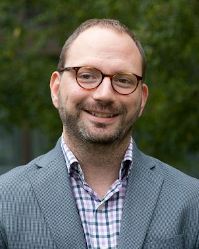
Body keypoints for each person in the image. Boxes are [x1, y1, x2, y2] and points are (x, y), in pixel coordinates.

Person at [0, 18, 199, 249]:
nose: (104, 94)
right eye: (86, 75)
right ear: (56, 89)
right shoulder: (4, 200)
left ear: (142, 99)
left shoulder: (192, 200)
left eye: (123, 80)